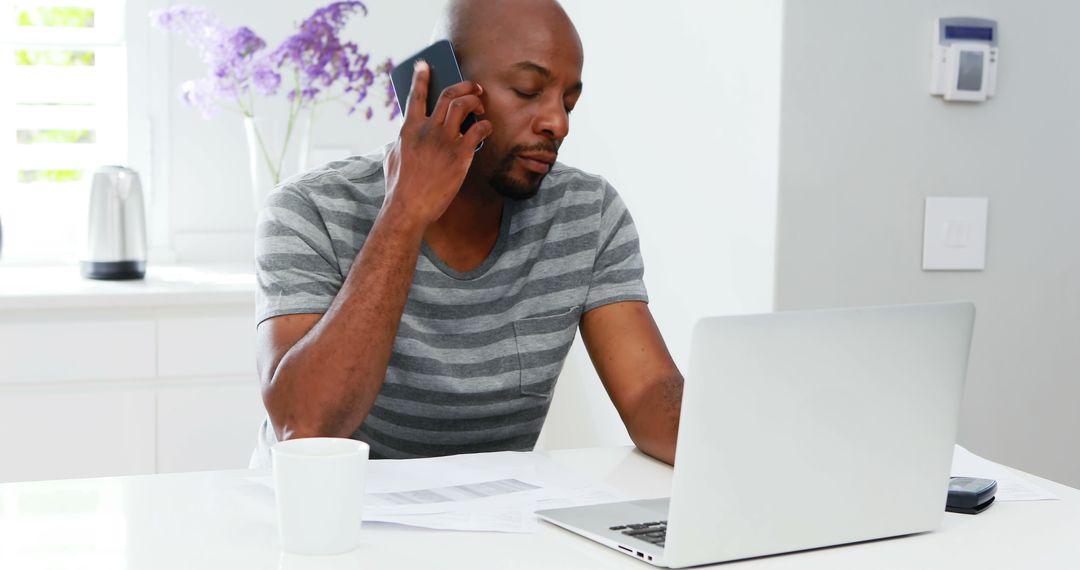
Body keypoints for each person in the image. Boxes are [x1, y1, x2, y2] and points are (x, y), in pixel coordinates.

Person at [252, 0, 683, 466]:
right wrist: (404, 214)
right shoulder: (308, 209)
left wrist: (735, 447)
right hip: (332, 523)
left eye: (568, 101)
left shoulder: (587, 212)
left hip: (492, 521)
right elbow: (307, 427)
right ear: (444, 87)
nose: (558, 122)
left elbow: (647, 393)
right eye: (527, 90)